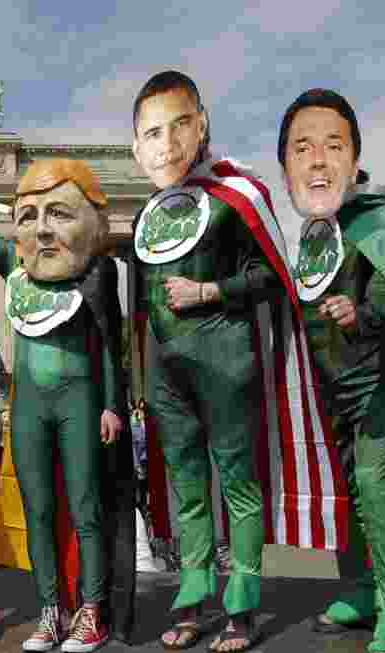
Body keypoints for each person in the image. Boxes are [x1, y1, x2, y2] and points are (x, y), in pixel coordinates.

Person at [130, 70, 334, 653]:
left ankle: (242, 607)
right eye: (151, 132)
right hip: (168, 375)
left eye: (179, 125)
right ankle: (193, 597)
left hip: (227, 360)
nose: (166, 142)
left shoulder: (238, 194)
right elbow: (143, 303)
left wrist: (209, 293)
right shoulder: (151, 209)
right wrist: (140, 378)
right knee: (188, 488)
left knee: (240, 487)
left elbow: (274, 274)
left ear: (202, 125)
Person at [0, 136, 133, 652]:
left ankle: (93, 611)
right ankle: (50, 611)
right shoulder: (14, 266)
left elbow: (112, 342)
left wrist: (111, 403)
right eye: (28, 215)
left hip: (81, 402)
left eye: (57, 214)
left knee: (86, 509)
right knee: (38, 509)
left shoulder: (93, 272)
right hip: (29, 408)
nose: (41, 229)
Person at [280, 88, 385, 653]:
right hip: (326, 386)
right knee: (345, 491)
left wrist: (359, 313)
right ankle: (360, 591)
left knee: (376, 488)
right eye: (301, 148)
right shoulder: (311, 233)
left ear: (355, 159)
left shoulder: (381, 219)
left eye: (333, 146)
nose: (317, 159)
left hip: (376, 383)